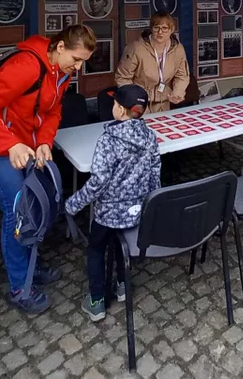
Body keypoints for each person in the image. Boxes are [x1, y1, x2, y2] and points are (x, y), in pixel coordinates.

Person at [0, 24, 97, 313]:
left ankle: (29, 267)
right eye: (76, 59)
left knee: (37, 204)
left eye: (83, 62)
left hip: (26, 145)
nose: (78, 67)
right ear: (60, 47)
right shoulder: (26, 66)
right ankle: (19, 286)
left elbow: (53, 111)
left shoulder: (60, 72)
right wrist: (10, 144)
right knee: (16, 209)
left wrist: (45, 142)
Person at [65, 84, 160, 321]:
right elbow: (154, 174)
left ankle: (96, 301)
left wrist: (73, 204)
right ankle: (122, 285)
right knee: (122, 245)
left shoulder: (108, 140)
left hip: (108, 214)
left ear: (120, 110)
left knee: (96, 249)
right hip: (137, 211)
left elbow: (98, 182)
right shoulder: (150, 136)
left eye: (114, 104)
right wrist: (152, 205)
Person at [116, 11, 190, 113]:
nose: (160, 32)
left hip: (163, 103)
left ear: (171, 30)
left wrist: (177, 93)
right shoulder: (135, 48)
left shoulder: (178, 49)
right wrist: (135, 100)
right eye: (156, 27)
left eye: (164, 28)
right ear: (151, 28)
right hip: (139, 105)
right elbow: (122, 78)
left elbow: (182, 76)